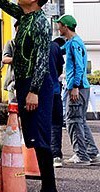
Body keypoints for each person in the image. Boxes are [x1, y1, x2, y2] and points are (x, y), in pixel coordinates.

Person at [0, 0, 57, 192]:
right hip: (25, 83)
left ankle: (50, 186)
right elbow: (4, 4)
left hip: (38, 85)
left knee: (41, 135)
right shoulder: (25, 17)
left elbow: (43, 59)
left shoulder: (41, 23)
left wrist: (34, 90)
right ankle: (48, 185)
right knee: (33, 135)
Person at [57, 14, 99, 165]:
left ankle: (81, 155)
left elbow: (79, 67)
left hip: (77, 88)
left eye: (59, 25)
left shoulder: (75, 43)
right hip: (82, 87)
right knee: (80, 121)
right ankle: (92, 152)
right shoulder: (72, 42)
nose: (58, 27)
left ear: (65, 26)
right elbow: (59, 50)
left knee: (73, 120)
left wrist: (74, 86)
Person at [51, 36, 66, 168]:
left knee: (42, 125)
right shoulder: (55, 47)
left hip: (37, 93)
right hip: (55, 91)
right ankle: (56, 155)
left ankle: (43, 157)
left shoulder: (33, 46)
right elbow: (60, 69)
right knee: (56, 124)